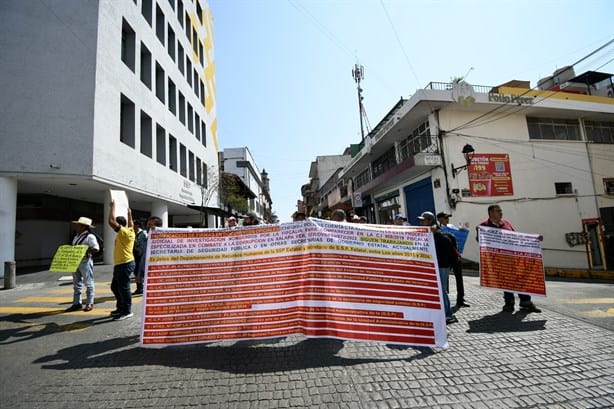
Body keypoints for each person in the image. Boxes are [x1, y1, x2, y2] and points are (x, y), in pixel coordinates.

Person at [478, 204, 542, 313]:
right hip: (499, 261)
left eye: (501, 210)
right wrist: (478, 233)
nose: (501, 212)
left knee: (521, 280)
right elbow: (481, 242)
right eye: (498, 211)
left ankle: (526, 303)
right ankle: (509, 304)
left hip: (513, 258)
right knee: (506, 282)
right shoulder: (484, 226)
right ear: (491, 213)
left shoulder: (506, 223)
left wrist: (534, 239)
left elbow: (516, 237)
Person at [417, 211, 458, 324]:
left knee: (441, 291)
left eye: (423, 220)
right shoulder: (428, 233)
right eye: (420, 220)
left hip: (441, 266)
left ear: (430, 221)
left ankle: (448, 314)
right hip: (433, 266)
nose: (421, 222)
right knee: (437, 290)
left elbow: (447, 252)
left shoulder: (439, 235)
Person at [108, 201, 136, 320]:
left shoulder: (124, 233)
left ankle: (127, 311)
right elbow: (131, 224)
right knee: (115, 287)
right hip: (121, 263)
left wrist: (113, 207)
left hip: (124, 264)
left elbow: (111, 221)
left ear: (120, 225)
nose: (114, 228)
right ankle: (121, 307)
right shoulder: (129, 230)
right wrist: (129, 214)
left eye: (116, 226)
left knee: (124, 288)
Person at [65, 217, 100, 312]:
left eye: (78, 225)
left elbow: (96, 249)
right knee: (76, 284)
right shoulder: (76, 236)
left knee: (88, 283)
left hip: (85, 261)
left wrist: (83, 250)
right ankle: (77, 303)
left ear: (84, 227)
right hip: (75, 262)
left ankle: (89, 303)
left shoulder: (90, 237)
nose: (76, 226)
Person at [437, 212, 469, 309]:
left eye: (448, 217)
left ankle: (460, 299)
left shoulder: (451, 227)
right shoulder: (437, 229)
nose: (447, 219)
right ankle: (445, 300)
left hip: (455, 257)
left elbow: (459, 235)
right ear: (440, 219)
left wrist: (462, 230)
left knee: (459, 278)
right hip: (445, 258)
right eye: (445, 217)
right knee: (444, 279)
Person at [135, 216, 163, 296]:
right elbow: (143, 258)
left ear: (158, 227)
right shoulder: (147, 240)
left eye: (150, 224)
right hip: (147, 276)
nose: (147, 226)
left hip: (159, 276)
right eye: (147, 224)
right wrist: (139, 274)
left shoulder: (164, 242)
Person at [132, 220, 148, 295]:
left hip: (142, 256)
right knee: (136, 272)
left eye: (133, 224)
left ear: (137, 225)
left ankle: (144, 288)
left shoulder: (144, 233)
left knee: (142, 272)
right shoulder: (132, 233)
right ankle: (139, 288)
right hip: (134, 256)